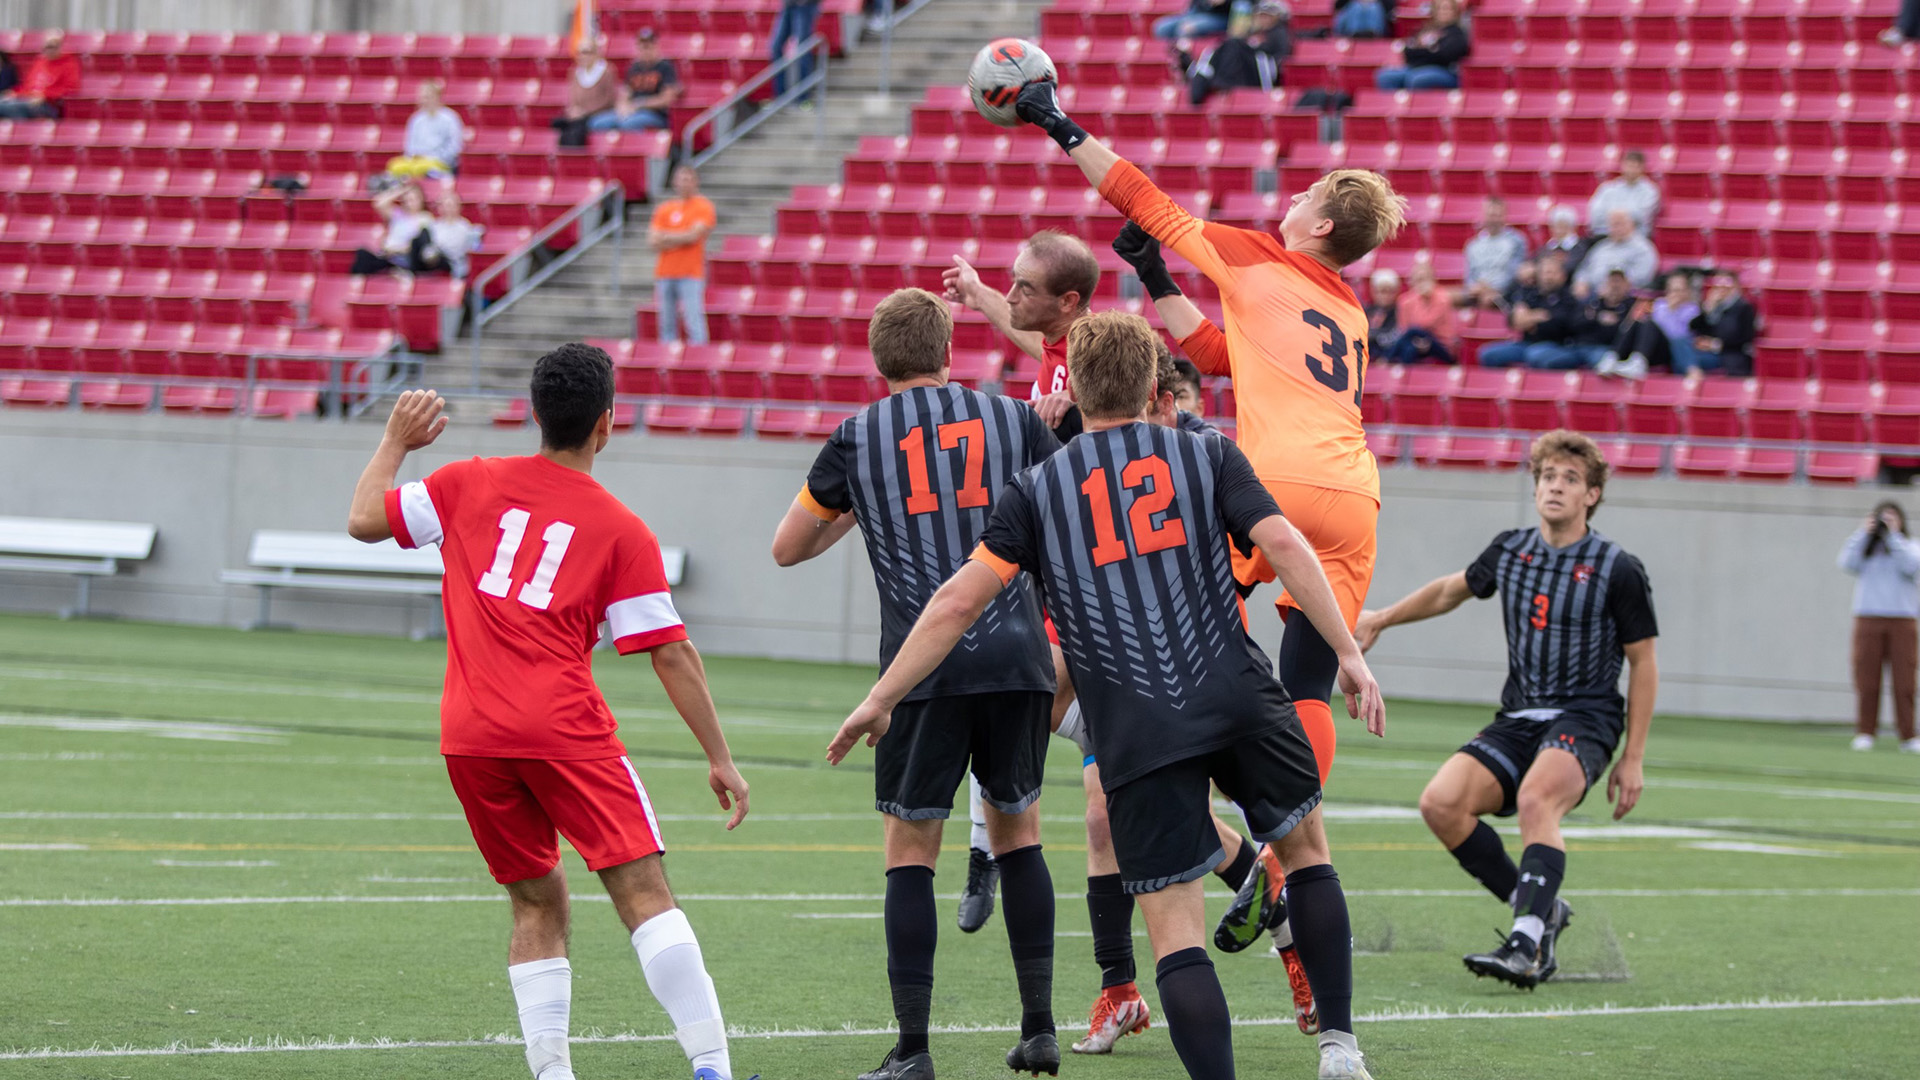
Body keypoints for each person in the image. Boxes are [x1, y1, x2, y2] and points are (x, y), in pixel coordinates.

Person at [827, 310, 1388, 1080]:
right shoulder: (1207, 452)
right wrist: (1349, 654)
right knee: (1309, 858)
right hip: (1239, 694)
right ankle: (1340, 1049)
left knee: (1177, 936)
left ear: (1073, 391)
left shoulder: (1036, 487)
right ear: (1157, 387)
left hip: (1137, 728)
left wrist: (881, 696)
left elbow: (957, 601)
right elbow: (1286, 545)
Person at [1027, 61, 1404, 1032]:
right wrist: (1154, 283)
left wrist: (1058, 123)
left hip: (1275, 480)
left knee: (1157, 615)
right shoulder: (1348, 310)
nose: (1294, 200)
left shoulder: (1261, 257)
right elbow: (1213, 356)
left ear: (1321, 225)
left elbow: (1145, 197)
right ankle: (1284, 837)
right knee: (1308, 677)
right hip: (1355, 496)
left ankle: (1190, 803)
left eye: (1309, 195)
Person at [343, 346, 753, 1080]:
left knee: (536, 903)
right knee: (644, 894)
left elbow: (364, 519)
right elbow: (668, 653)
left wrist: (396, 443)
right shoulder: (621, 528)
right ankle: (714, 1069)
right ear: (606, 424)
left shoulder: (464, 481)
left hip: (470, 736)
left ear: (534, 413)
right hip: (565, 731)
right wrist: (720, 758)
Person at [771, 289, 1064, 1080]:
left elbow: (787, 547)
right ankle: (1040, 1028)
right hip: (1018, 659)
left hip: (920, 670)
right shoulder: (1014, 420)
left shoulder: (857, 435)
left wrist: (859, 511)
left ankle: (914, 1049)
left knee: (911, 850)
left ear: (878, 357)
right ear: (948, 348)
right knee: (1019, 836)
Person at [1354, 430, 1658, 991]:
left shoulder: (1618, 568)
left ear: (1592, 494)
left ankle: (1525, 943)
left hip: (1586, 717)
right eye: (1547, 476)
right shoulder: (1512, 550)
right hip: (1519, 717)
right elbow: (1450, 590)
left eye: (1570, 479)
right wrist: (1381, 618)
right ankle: (1542, 910)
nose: (1555, 487)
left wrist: (1633, 756)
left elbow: (1644, 663)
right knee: (1441, 804)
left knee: (1537, 798)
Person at [942, 230, 1101, 439]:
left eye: (1026, 290)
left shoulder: (1104, 355)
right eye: (1014, 281)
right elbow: (1028, 337)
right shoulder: (1061, 341)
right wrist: (977, 293)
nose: (1010, 297)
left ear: (1067, 301)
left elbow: (1146, 392)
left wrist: (1084, 399)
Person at [1838, 503, 1920, 753]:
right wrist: (1864, 533)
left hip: (1902, 620)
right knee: (1867, 679)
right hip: (1868, 618)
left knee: (1905, 682)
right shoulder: (1865, 549)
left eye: (1891, 518)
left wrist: (1893, 536)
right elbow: (1845, 562)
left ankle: (1907, 736)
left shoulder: (1910, 545)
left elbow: (1911, 566)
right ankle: (1865, 732)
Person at [1476, 253, 1580, 368]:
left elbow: (1561, 323)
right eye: (1544, 273)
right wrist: (1536, 317)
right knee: (1488, 354)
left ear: (1563, 276)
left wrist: (1529, 319)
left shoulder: (1568, 297)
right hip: (1525, 344)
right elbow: (1512, 320)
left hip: (1556, 345)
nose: (1547, 277)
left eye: (1552, 273)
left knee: (1535, 355)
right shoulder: (1530, 293)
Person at [650, 165, 716, 346]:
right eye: (681, 179)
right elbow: (653, 241)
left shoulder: (703, 206)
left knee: (693, 320)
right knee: (666, 323)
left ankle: (699, 358)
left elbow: (694, 235)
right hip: (665, 272)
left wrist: (667, 237)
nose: (684, 183)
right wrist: (681, 237)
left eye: (688, 179)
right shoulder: (665, 208)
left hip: (690, 273)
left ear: (696, 182)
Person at [1187, 0, 1293, 106]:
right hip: (1242, 71)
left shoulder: (1278, 33)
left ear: (1277, 17)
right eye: (1261, 15)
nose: (1263, 19)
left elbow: (1276, 61)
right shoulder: (1253, 32)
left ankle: (1219, 83)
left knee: (1232, 45)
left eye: (1268, 16)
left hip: (1259, 76)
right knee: (1221, 48)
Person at [1595, 273, 1698, 381]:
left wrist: (1671, 311)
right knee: (1638, 322)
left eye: (1678, 290)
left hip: (1670, 351)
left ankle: (1639, 362)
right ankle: (1613, 356)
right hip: (1651, 347)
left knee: (1649, 324)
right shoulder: (1659, 304)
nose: (1674, 294)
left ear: (1687, 292)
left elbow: (1679, 337)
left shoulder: (1693, 310)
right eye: (1671, 290)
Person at [594, 28, 681, 133]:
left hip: (655, 113)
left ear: (656, 46)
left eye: (648, 46)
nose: (645, 50)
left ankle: (638, 149)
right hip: (633, 110)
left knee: (629, 124)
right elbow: (625, 93)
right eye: (642, 46)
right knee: (598, 123)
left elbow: (667, 99)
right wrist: (623, 107)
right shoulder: (634, 67)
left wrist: (641, 104)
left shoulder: (665, 67)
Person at [1373, 0, 1469, 91]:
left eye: (1447, 8)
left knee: (1417, 78)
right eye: (1439, 8)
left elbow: (1444, 56)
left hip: (1444, 71)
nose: (1443, 12)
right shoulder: (1426, 30)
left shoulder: (1457, 34)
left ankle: (1415, 106)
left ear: (1455, 12)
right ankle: (1394, 106)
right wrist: (1430, 50)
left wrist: (1422, 51)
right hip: (1416, 66)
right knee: (1385, 76)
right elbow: (1408, 51)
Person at [349, 184, 434, 275]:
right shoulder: (398, 214)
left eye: (414, 199)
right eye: (408, 200)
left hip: (405, 257)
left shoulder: (424, 218)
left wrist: (395, 250)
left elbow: (420, 243)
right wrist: (401, 190)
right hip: (387, 256)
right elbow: (379, 203)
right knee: (362, 255)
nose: (410, 203)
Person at [388, 79, 465, 179]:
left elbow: (455, 147)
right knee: (395, 166)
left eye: (427, 97)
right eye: (422, 97)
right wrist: (414, 156)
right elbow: (409, 146)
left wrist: (432, 157)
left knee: (420, 169)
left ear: (437, 97)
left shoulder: (450, 119)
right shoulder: (416, 119)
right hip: (416, 161)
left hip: (440, 162)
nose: (423, 100)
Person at [1461, 197, 1529, 310]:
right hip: (1477, 291)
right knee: (1446, 298)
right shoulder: (1473, 244)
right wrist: (1474, 287)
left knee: (1487, 300)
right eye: (1490, 215)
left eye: (1497, 215)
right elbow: (1469, 275)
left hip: (1503, 292)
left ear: (1504, 216)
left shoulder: (1517, 241)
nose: (1493, 220)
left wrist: (1492, 288)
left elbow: (1516, 274)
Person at [552, 36, 620, 147]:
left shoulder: (606, 72)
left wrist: (586, 112)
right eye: (580, 53)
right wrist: (574, 110)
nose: (583, 56)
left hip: (599, 114)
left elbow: (609, 100)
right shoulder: (575, 72)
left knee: (580, 127)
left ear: (596, 53)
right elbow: (573, 98)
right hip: (580, 114)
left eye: (587, 52)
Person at [1689, 272, 1758, 377]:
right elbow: (1694, 327)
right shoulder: (1713, 307)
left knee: (1690, 361)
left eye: (1726, 287)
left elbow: (1745, 337)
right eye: (1717, 287)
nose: (1721, 290)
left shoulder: (1744, 308)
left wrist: (1715, 345)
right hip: (1709, 352)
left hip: (1731, 356)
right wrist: (1707, 309)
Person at [1573, 209, 1657, 295]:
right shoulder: (1601, 247)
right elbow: (1584, 268)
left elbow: (1642, 277)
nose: (1617, 228)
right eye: (1613, 225)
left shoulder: (1643, 249)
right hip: (1592, 293)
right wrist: (1581, 282)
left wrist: (1613, 287)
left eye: (1620, 224)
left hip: (1623, 297)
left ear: (1631, 225)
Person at [0, 32, 80, 120]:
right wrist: (15, 93)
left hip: (49, 105)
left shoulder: (69, 64)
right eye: (46, 47)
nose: (49, 50)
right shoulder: (40, 62)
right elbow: (28, 86)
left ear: (61, 47)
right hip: (28, 100)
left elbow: (70, 89)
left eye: (53, 47)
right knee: (5, 101)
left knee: (9, 107)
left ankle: (22, 129)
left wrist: (45, 96)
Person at [1389, 260, 1456, 364]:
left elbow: (1425, 323)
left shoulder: (1442, 298)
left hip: (1439, 343)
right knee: (1409, 349)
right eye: (1418, 280)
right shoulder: (1404, 301)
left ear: (1433, 279)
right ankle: (1405, 377)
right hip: (1414, 341)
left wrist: (1425, 297)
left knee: (1414, 331)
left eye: (1425, 279)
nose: (1422, 284)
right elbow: (1403, 329)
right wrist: (1416, 341)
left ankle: (1387, 358)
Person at [1586, 151, 1660, 238]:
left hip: (1634, 237)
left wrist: (1612, 216)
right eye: (1629, 166)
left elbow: (1640, 216)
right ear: (1622, 166)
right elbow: (1596, 215)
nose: (1631, 170)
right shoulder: (1607, 188)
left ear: (1642, 168)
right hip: (1603, 235)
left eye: (1635, 167)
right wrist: (1622, 217)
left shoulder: (1650, 191)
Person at [770, 0, 823, 104]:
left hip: (805, 6)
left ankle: (804, 97)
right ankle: (780, 97)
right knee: (776, 47)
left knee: (803, 49)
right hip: (788, 5)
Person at [426, 190, 484, 278]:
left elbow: (456, 249)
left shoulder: (464, 226)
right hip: (431, 259)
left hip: (452, 262)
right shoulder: (434, 225)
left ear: (458, 207)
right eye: (443, 205)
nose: (447, 209)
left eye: (450, 205)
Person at [1532, 206, 1591, 281]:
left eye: (1562, 226)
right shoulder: (1548, 246)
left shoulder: (1579, 247)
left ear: (1572, 227)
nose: (1558, 230)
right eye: (1555, 226)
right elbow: (1535, 260)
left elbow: (1573, 267)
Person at [1364, 268, 1403, 359]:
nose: (1385, 296)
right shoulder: (1367, 311)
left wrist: (1373, 337)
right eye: (1381, 291)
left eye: (1389, 291)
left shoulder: (1399, 311)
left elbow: (1396, 334)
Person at [1154, 0, 1234, 43]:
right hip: (1197, 12)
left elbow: (1243, 6)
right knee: (1161, 28)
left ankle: (1185, 65)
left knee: (1185, 29)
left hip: (1222, 16)